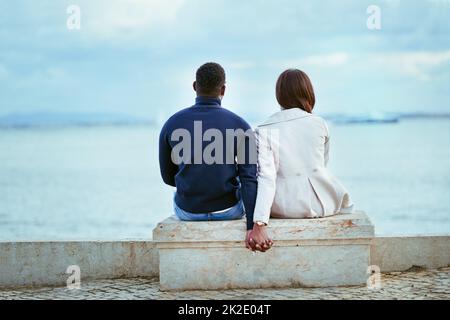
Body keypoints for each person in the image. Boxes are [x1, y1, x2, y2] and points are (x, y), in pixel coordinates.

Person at [159, 62, 260, 250]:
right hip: (228, 210)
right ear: (223, 89)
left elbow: (167, 177)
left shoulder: (171, 124)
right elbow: (249, 179)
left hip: (188, 211)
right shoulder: (241, 125)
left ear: (195, 87)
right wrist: (251, 226)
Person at [249, 69, 354, 250]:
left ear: (279, 95)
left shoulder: (264, 129)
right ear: (308, 92)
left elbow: (267, 177)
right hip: (324, 203)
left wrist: (259, 223)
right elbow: (322, 164)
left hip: (284, 207)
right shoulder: (320, 123)